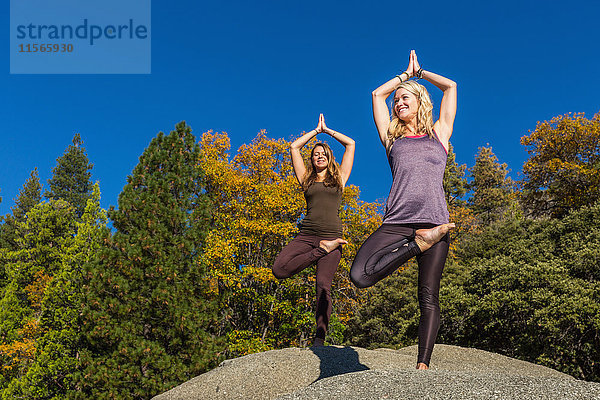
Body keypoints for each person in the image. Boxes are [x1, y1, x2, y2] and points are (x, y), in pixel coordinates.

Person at [350, 50, 457, 369]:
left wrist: (420, 73)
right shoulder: (391, 138)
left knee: (428, 297)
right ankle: (417, 244)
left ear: (420, 101)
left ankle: (423, 365)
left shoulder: (440, 134)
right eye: (396, 100)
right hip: (398, 222)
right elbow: (376, 94)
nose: (397, 102)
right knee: (359, 275)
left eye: (404, 97)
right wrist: (402, 78)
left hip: (436, 221)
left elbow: (451, 87)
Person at [272, 113, 355, 347]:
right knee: (279, 269)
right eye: (316, 154)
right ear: (312, 159)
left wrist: (327, 131)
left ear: (329, 158)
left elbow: (351, 144)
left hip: (332, 237)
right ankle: (321, 250)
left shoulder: (340, 178)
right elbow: (293, 147)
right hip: (307, 236)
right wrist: (315, 132)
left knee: (323, 286)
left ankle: (319, 337)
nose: (319, 156)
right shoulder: (306, 179)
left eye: (323, 154)